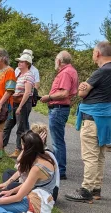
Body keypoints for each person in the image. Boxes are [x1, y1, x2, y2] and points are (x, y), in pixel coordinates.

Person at [65, 41, 111, 203]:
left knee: (90, 156)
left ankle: (86, 190)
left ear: (98, 54)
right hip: (105, 119)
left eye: (93, 52)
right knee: (100, 156)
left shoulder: (101, 71)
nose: (92, 55)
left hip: (92, 119)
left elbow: (81, 93)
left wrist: (84, 87)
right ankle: (96, 188)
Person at [0, 131, 58, 213]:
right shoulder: (47, 157)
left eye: (23, 146)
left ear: (27, 148)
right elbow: (28, 184)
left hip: (36, 207)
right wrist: (11, 191)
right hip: (40, 201)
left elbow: (18, 197)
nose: (22, 148)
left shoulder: (37, 168)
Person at [40, 50, 79, 180]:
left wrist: (49, 97)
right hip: (61, 108)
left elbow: (64, 93)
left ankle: (60, 170)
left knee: (57, 141)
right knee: (58, 139)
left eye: (55, 60)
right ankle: (58, 168)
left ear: (59, 61)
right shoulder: (71, 71)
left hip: (58, 108)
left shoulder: (66, 73)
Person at [0, 123, 60, 200]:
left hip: (46, 192)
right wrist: (7, 182)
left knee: (8, 188)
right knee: (7, 173)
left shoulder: (45, 154)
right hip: (34, 182)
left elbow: (21, 166)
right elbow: (21, 168)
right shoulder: (36, 151)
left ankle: (15, 192)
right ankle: (12, 189)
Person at [8, 52, 35, 157]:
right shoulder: (19, 74)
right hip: (15, 101)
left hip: (22, 103)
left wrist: (20, 107)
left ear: (27, 64)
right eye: (19, 61)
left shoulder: (29, 75)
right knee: (8, 125)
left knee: (21, 128)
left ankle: (19, 149)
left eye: (21, 62)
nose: (19, 63)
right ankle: (1, 145)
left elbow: (27, 92)